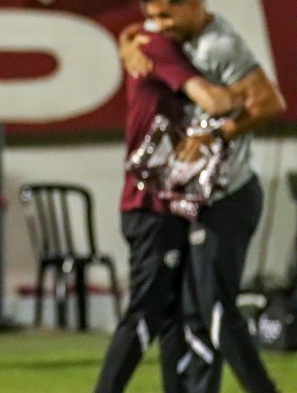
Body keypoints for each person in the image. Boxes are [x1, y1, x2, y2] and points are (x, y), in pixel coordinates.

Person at [119, 0, 285, 393]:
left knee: (215, 309)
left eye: (167, 16)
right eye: (155, 16)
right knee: (189, 310)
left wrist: (217, 132)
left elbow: (269, 103)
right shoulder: (179, 39)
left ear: (195, 4)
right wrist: (127, 40)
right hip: (198, 196)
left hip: (229, 196)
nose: (160, 26)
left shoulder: (220, 45)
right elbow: (142, 31)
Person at [94, 23, 246, 393]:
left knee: (174, 315)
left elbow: (135, 30)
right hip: (150, 208)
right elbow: (216, 103)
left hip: (170, 205)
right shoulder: (160, 48)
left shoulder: (160, 44)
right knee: (146, 312)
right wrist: (253, 91)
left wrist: (125, 40)